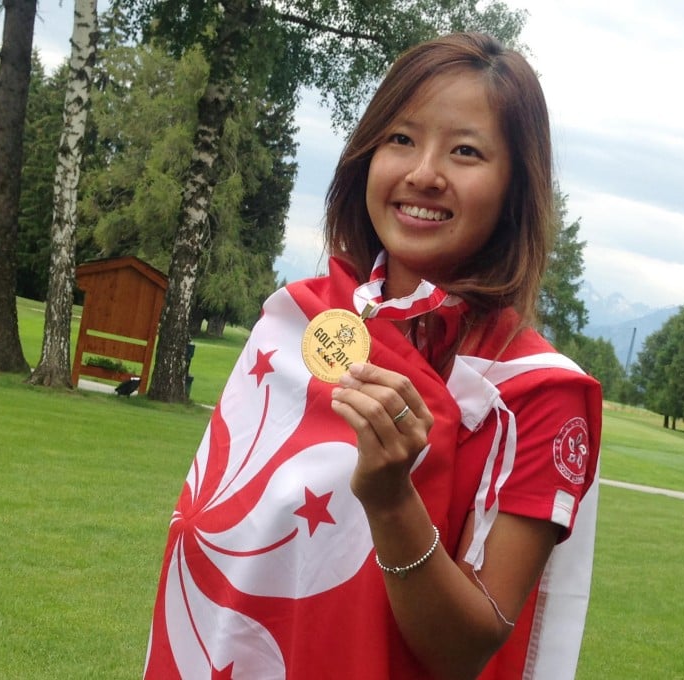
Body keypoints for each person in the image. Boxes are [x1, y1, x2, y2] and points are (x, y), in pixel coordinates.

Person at [144, 32, 602, 680]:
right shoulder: (300, 322)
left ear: (515, 188)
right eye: (401, 139)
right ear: (367, 156)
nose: (423, 173)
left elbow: (466, 650)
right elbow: (216, 539)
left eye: (465, 151)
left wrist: (391, 500)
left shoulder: (534, 394)